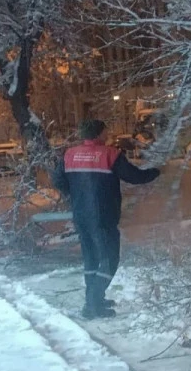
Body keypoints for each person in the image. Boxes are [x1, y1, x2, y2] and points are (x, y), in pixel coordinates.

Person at [53, 119, 160, 319]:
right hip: (103, 216)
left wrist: (76, 195)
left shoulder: (69, 155)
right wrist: (156, 171)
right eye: (105, 132)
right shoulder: (109, 154)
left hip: (82, 216)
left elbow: (57, 180)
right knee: (109, 259)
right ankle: (93, 305)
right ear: (99, 134)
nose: (108, 135)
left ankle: (94, 299)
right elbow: (134, 177)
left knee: (91, 258)